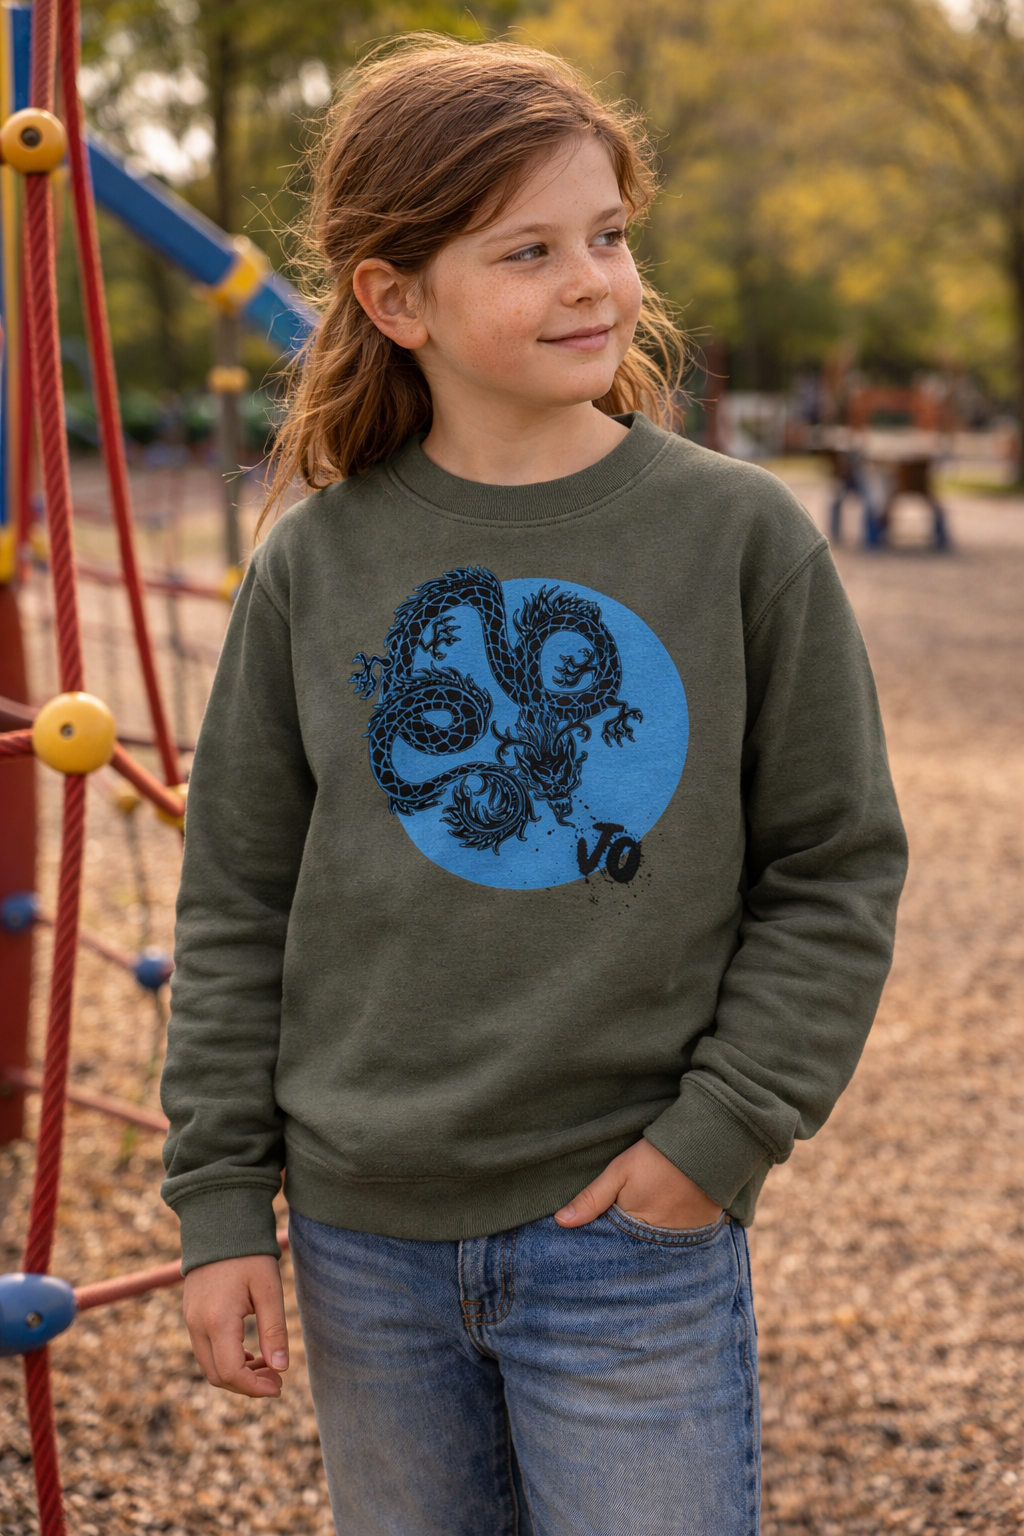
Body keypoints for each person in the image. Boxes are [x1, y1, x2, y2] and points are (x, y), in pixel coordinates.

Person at [161, 36, 907, 1536]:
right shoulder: (315, 564)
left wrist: (719, 1139)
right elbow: (237, 900)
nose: (595, 282)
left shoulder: (742, 542)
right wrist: (221, 1203)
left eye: (610, 237)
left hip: (628, 1232)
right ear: (397, 299)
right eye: (532, 250)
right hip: (364, 1239)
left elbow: (834, 870)